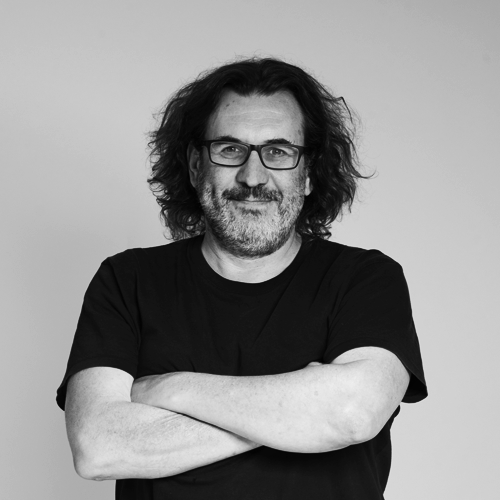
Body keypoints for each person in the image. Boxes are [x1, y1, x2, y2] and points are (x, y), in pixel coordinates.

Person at [57, 57, 427, 500]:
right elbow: (99, 448)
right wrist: (300, 414)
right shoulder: (127, 280)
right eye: (230, 149)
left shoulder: (366, 280)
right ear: (196, 165)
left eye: (278, 152)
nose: (253, 177)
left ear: (309, 172)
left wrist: (170, 389)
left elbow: (351, 412)